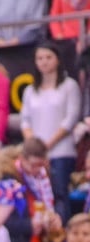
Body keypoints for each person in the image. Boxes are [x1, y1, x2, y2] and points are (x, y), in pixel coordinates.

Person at [20, 41, 82, 220]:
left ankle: (61, 232)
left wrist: (47, 145)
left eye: (48, 57)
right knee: (35, 196)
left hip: (60, 152)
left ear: (57, 60)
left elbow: (70, 119)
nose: (44, 62)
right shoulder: (31, 90)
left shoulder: (69, 86)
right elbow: (25, 120)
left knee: (60, 193)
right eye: (39, 58)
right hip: (36, 155)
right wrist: (33, 145)